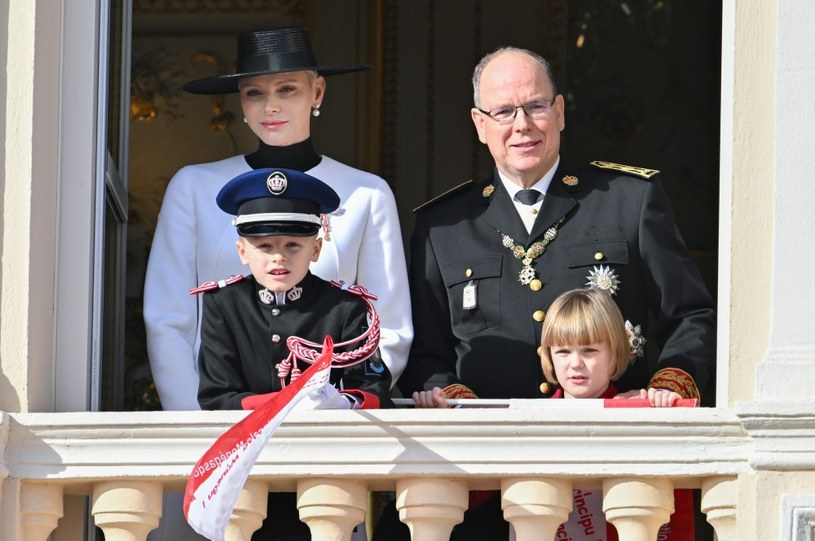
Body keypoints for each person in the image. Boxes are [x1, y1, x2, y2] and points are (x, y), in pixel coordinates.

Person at [398, 46, 716, 405]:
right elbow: (423, 351)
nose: (523, 125)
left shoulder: (629, 201)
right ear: (480, 124)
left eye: (536, 106)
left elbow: (690, 316)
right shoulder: (443, 227)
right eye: (504, 111)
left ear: (560, 112)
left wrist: (667, 389)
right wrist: (462, 407)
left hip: (613, 432)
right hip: (488, 444)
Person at [144, 26, 411, 413]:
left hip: (329, 430)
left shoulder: (367, 193)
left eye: (287, 89)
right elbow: (168, 321)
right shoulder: (192, 186)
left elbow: (388, 328)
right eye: (255, 92)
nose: (271, 106)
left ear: (317, 92)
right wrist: (198, 423)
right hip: (218, 425)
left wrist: (341, 413)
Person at [196, 167, 392, 539]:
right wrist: (289, 404)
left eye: (293, 245)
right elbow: (216, 397)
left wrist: (337, 402)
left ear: (316, 248)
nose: (278, 258)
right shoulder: (224, 304)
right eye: (264, 246)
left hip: (324, 473)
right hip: (247, 478)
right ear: (242, 251)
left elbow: (375, 391)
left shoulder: (346, 308)